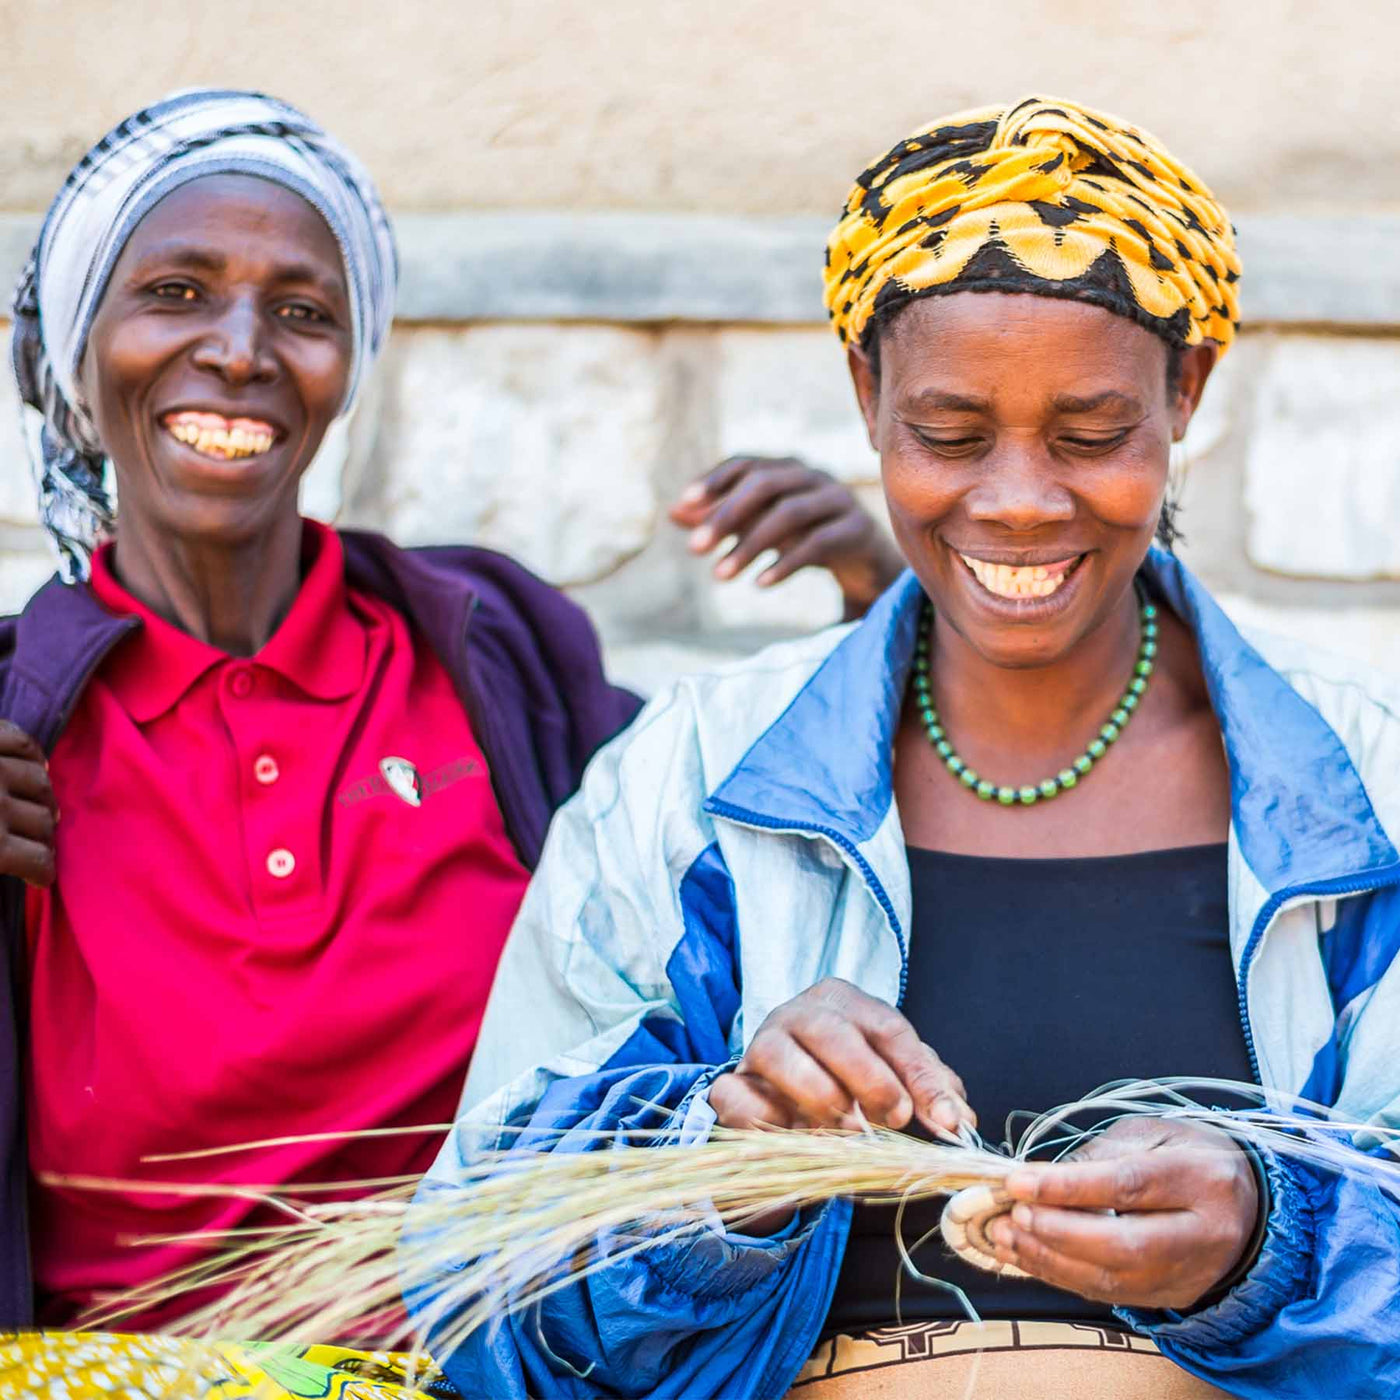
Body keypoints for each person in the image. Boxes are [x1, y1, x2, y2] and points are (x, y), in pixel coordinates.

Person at [415, 98, 1400, 1399]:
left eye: (1092, 434)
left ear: (1189, 392)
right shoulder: (695, 786)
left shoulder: (1363, 786)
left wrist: (1274, 1243)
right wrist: (720, 1162)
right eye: (948, 434)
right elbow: (470, 1302)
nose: (1017, 500)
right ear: (866, 393)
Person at [0, 88, 900, 1390]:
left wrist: (881, 601)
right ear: (79, 349)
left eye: (303, 312)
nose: (242, 349)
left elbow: (754, 856)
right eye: (177, 294)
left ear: (350, 368)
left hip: (495, 1369)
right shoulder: (24, 730)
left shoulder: (489, 662)